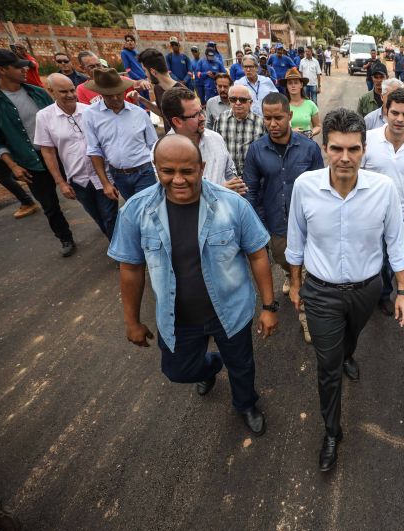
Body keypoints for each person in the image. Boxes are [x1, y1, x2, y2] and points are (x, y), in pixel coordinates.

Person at [107, 134, 277, 437]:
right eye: (168, 171)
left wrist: (268, 306)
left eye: (187, 171)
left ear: (201, 167)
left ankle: (246, 404)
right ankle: (209, 367)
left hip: (230, 311)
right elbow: (131, 268)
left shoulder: (231, 205)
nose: (178, 180)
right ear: (156, 168)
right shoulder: (136, 211)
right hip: (177, 318)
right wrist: (131, 321)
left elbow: (257, 253)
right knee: (178, 371)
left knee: (242, 367)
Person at [285, 108, 404, 471]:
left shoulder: (383, 190)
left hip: (366, 290)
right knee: (327, 365)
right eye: (336, 149)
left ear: (364, 149)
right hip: (321, 292)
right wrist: (295, 284)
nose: (345, 158)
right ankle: (331, 431)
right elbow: (296, 240)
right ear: (324, 147)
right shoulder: (305, 187)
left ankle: (348, 354)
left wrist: (402, 291)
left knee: (349, 340)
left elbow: (397, 244)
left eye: (353, 149)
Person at [244, 92, 324, 342]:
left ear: (289, 115)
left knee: (311, 273)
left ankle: (306, 316)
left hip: (307, 227)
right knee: (287, 262)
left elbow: (321, 188)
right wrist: (261, 227)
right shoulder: (256, 151)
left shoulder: (309, 148)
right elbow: (251, 192)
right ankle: (291, 274)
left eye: (278, 117)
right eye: (267, 118)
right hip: (276, 228)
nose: (272, 123)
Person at [0, 48, 75, 255]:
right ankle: (65, 238)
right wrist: (13, 165)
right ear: (2, 70)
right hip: (29, 161)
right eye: (18, 67)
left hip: (58, 155)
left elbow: (61, 118)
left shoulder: (37, 92)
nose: (25, 70)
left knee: (84, 190)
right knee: (50, 205)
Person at [362, 89, 404, 313]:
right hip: (368, 213)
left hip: (401, 214)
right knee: (370, 256)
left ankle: (383, 295)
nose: (400, 119)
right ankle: (366, 294)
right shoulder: (368, 139)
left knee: (392, 260)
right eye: (395, 113)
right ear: (386, 112)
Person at [36, 73, 118, 241]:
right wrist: (61, 182)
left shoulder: (90, 111)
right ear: (51, 92)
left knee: (110, 217)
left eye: (72, 90)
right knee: (97, 216)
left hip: (103, 175)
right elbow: (48, 151)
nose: (71, 95)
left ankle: (123, 255)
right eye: (63, 92)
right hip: (78, 179)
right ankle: (116, 245)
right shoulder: (44, 117)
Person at [84, 68, 158, 201]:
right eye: (108, 95)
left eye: (118, 93)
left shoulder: (139, 113)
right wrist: (105, 183)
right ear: (100, 93)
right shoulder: (90, 115)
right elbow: (94, 150)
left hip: (144, 172)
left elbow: (153, 145)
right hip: (118, 175)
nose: (115, 98)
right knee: (132, 210)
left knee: (146, 210)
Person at [161, 86, 239, 189]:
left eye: (201, 111)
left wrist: (236, 187)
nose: (203, 118)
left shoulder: (216, 138)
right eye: (196, 115)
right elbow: (175, 194)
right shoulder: (161, 152)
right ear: (177, 121)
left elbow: (230, 173)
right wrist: (221, 191)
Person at [212, 85, 266, 178]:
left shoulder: (260, 123)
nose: (238, 103)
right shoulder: (220, 120)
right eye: (233, 99)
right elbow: (214, 149)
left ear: (251, 102)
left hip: (253, 178)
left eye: (242, 100)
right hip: (227, 178)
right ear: (229, 101)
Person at [137, 48, 183, 133]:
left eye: (145, 71)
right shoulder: (157, 88)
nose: (145, 74)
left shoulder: (181, 92)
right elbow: (162, 113)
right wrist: (141, 99)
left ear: (153, 72)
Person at [76, 51, 143, 106]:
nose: (97, 69)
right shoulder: (81, 89)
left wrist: (143, 83)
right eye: (92, 67)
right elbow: (89, 113)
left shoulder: (121, 80)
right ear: (82, 68)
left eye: (99, 65)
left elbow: (137, 84)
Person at [280, 68, 321, 138]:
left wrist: (309, 133)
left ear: (301, 85)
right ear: (286, 86)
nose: (293, 86)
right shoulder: (282, 106)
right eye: (290, 83)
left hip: (307, 144)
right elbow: (278, 128)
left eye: (296, 82)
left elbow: (318, 127)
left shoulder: (310, 104)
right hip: (288, 145)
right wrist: (290, 131)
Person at [121, 34, 149, 104]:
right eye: (127, 41)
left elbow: (142, 65)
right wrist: (139, 79)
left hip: (144, 79)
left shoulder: (136, 52)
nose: (130, 42)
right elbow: (128, 70)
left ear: (134, 42)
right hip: (137, 81)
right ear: (125, 43)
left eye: (131, 40)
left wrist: (146, 76)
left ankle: (147, 115)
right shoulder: (124, 52)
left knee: (147, 100)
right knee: (141, 100)